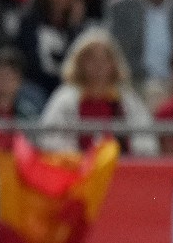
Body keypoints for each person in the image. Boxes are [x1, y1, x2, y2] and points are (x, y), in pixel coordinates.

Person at [37, 26, 157, 155]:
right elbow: (48, 139)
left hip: (122, 168)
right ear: (80, 63)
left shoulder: (128, 100)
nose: (98, 65)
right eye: (91, 59)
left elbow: (146, 139)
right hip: (76, 169)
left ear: (113, 64)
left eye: (104, 59)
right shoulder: (65, 98)